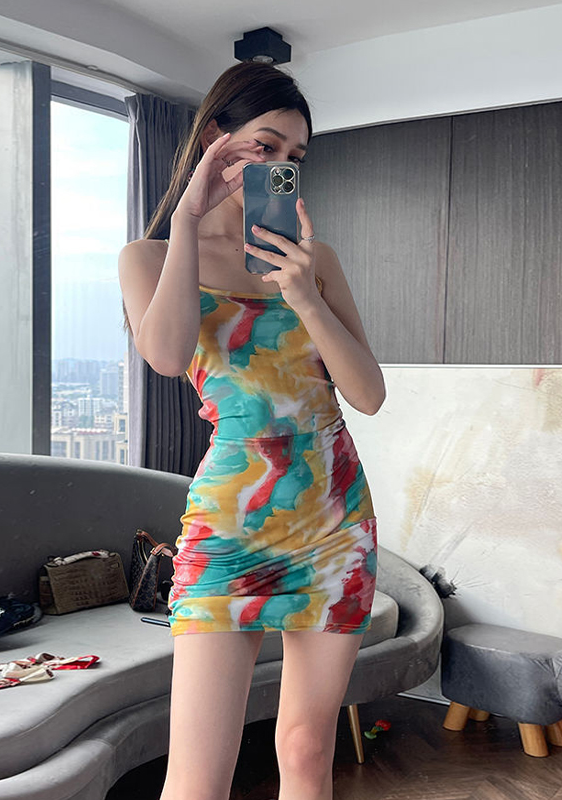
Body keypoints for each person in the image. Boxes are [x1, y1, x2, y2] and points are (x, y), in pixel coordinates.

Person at [118, 61, 385, 800]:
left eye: (294, 157)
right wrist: (185, 222)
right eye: (265, 147)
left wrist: (304, 295)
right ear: (217, 139)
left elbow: (368, 395)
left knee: (306, 750)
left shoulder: (315, 263)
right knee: (197, 778)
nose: (279, 168)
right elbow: (166, 354)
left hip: (334, 522)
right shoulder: (148, 257)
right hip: (230, 525)